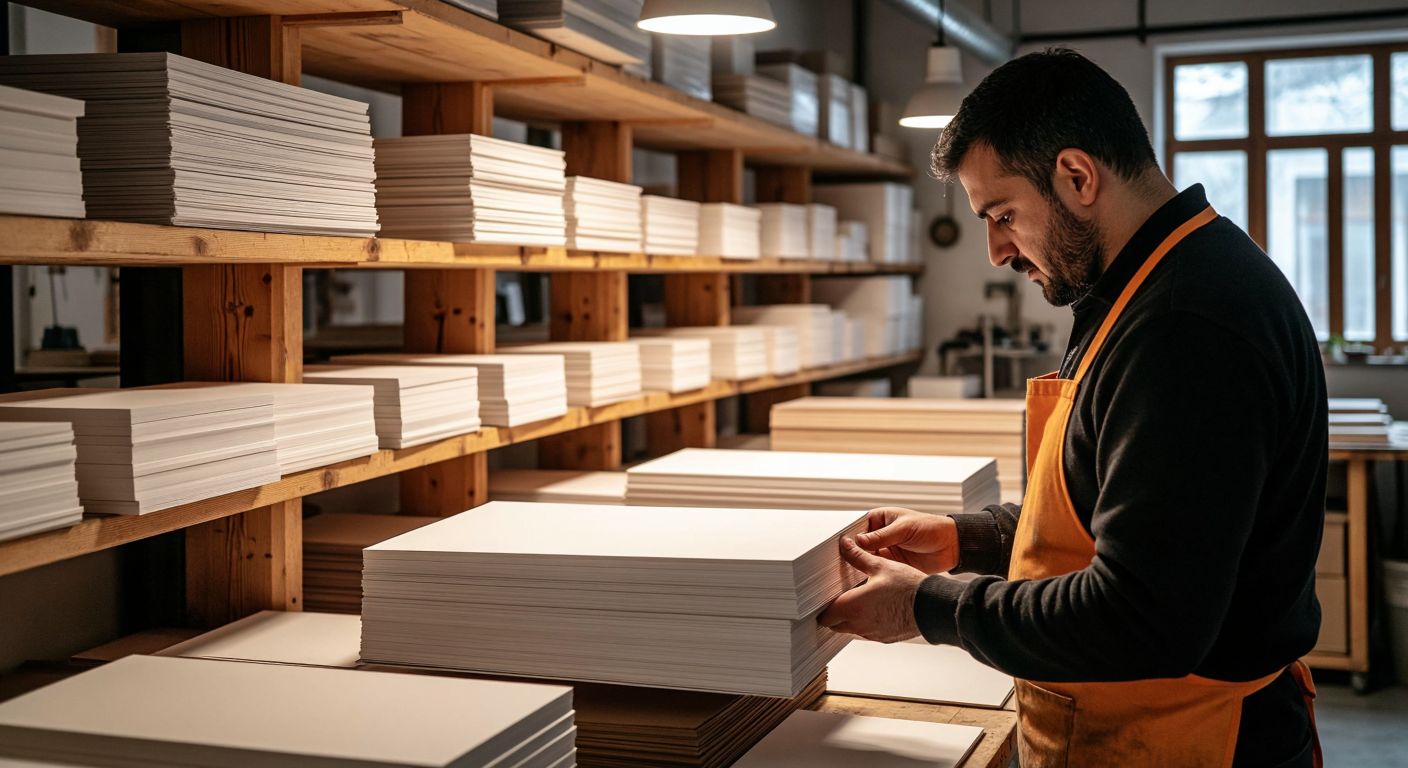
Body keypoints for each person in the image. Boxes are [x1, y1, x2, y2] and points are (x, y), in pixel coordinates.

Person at [818, 48, 1326, 767]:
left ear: (1078, 176)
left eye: (1002, 214)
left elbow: (1144, 617)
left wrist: (926, 606)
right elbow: (1127, 508)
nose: (996, 250)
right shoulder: (1142, 286)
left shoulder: (1187, 325)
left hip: (1200, 742)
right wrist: (974, 538)